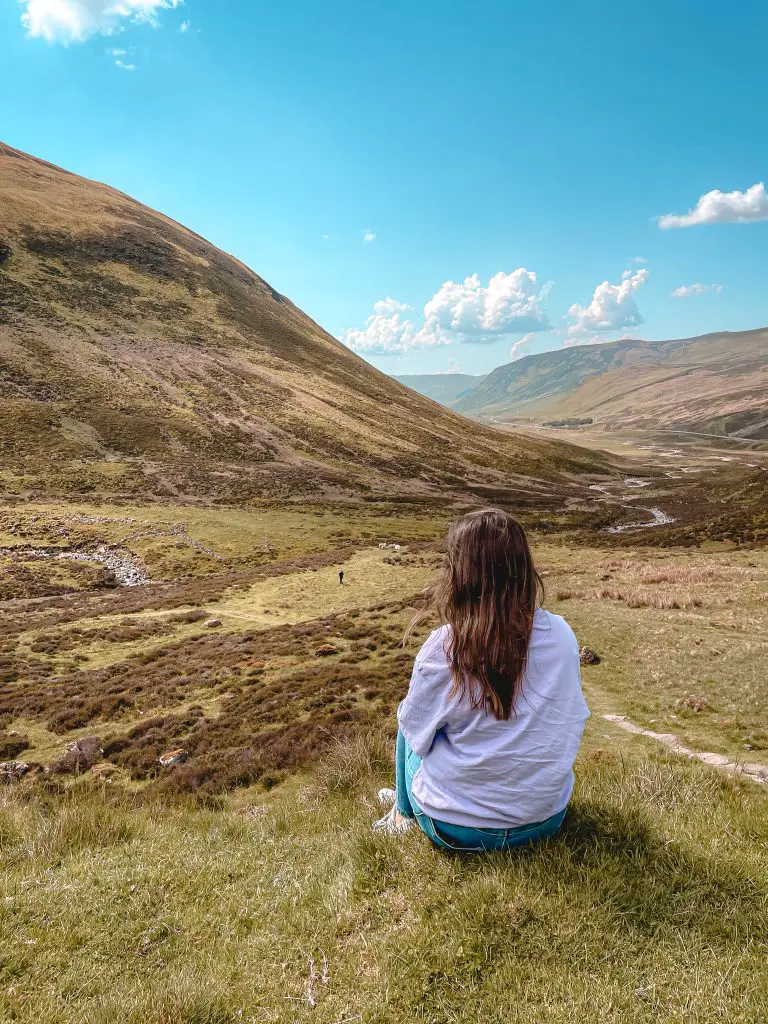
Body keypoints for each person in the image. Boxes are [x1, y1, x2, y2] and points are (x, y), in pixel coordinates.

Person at [373, 507, 589, 852]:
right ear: (523, 569)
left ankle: (402, 815)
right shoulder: (562, 635)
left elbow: (415, 732)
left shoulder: (446, 646)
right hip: (545, 820)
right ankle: (420, 803)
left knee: (407, 720)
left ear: (460, 575)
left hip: (455, 828)